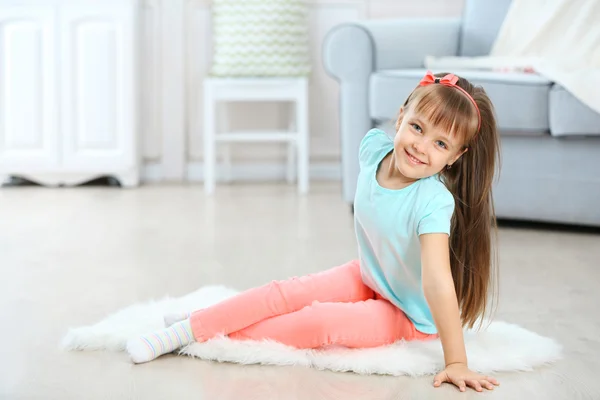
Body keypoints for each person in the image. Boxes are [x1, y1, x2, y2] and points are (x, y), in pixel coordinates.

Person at [127, 70, 501, 393]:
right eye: (417, 128)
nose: (420, 146)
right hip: (370, 275)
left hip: (407, 313)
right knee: (287, 292)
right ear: (401, 117)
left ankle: (201, 335)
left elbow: (437, 281)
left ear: (454, 157)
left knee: (319, 323)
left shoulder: (433, 202)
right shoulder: (373, 150)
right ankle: (193, 325)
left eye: (440, 144)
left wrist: (456, 361)